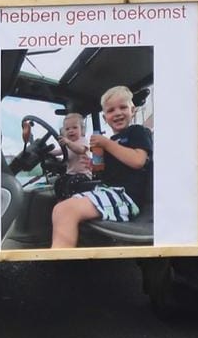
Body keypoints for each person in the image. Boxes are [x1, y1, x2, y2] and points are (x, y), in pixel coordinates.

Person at [50, 85, 152, 248]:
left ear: (133, 110)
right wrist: (93, 165)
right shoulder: (112, 140)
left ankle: (58, 265)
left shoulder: (137, 132)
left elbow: (138, 161)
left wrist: (106, 144)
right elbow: (104, 172)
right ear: (105, 118)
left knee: (64, 211)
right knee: (60, 207)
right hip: (107, 189)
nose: (117, 113)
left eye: (123, 107)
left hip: (126, 197)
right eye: (111, 110)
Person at [57, 112, 92, 177]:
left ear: (81, 129)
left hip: (84, 174)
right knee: (59, 182)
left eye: (75, 127)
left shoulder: (83, 140)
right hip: (70, 174)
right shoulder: (67, 144)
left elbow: (81, 150)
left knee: (73, 182)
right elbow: (58, 152)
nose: (71, 131)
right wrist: (47, 151)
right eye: (67, 129)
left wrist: (68, 142)